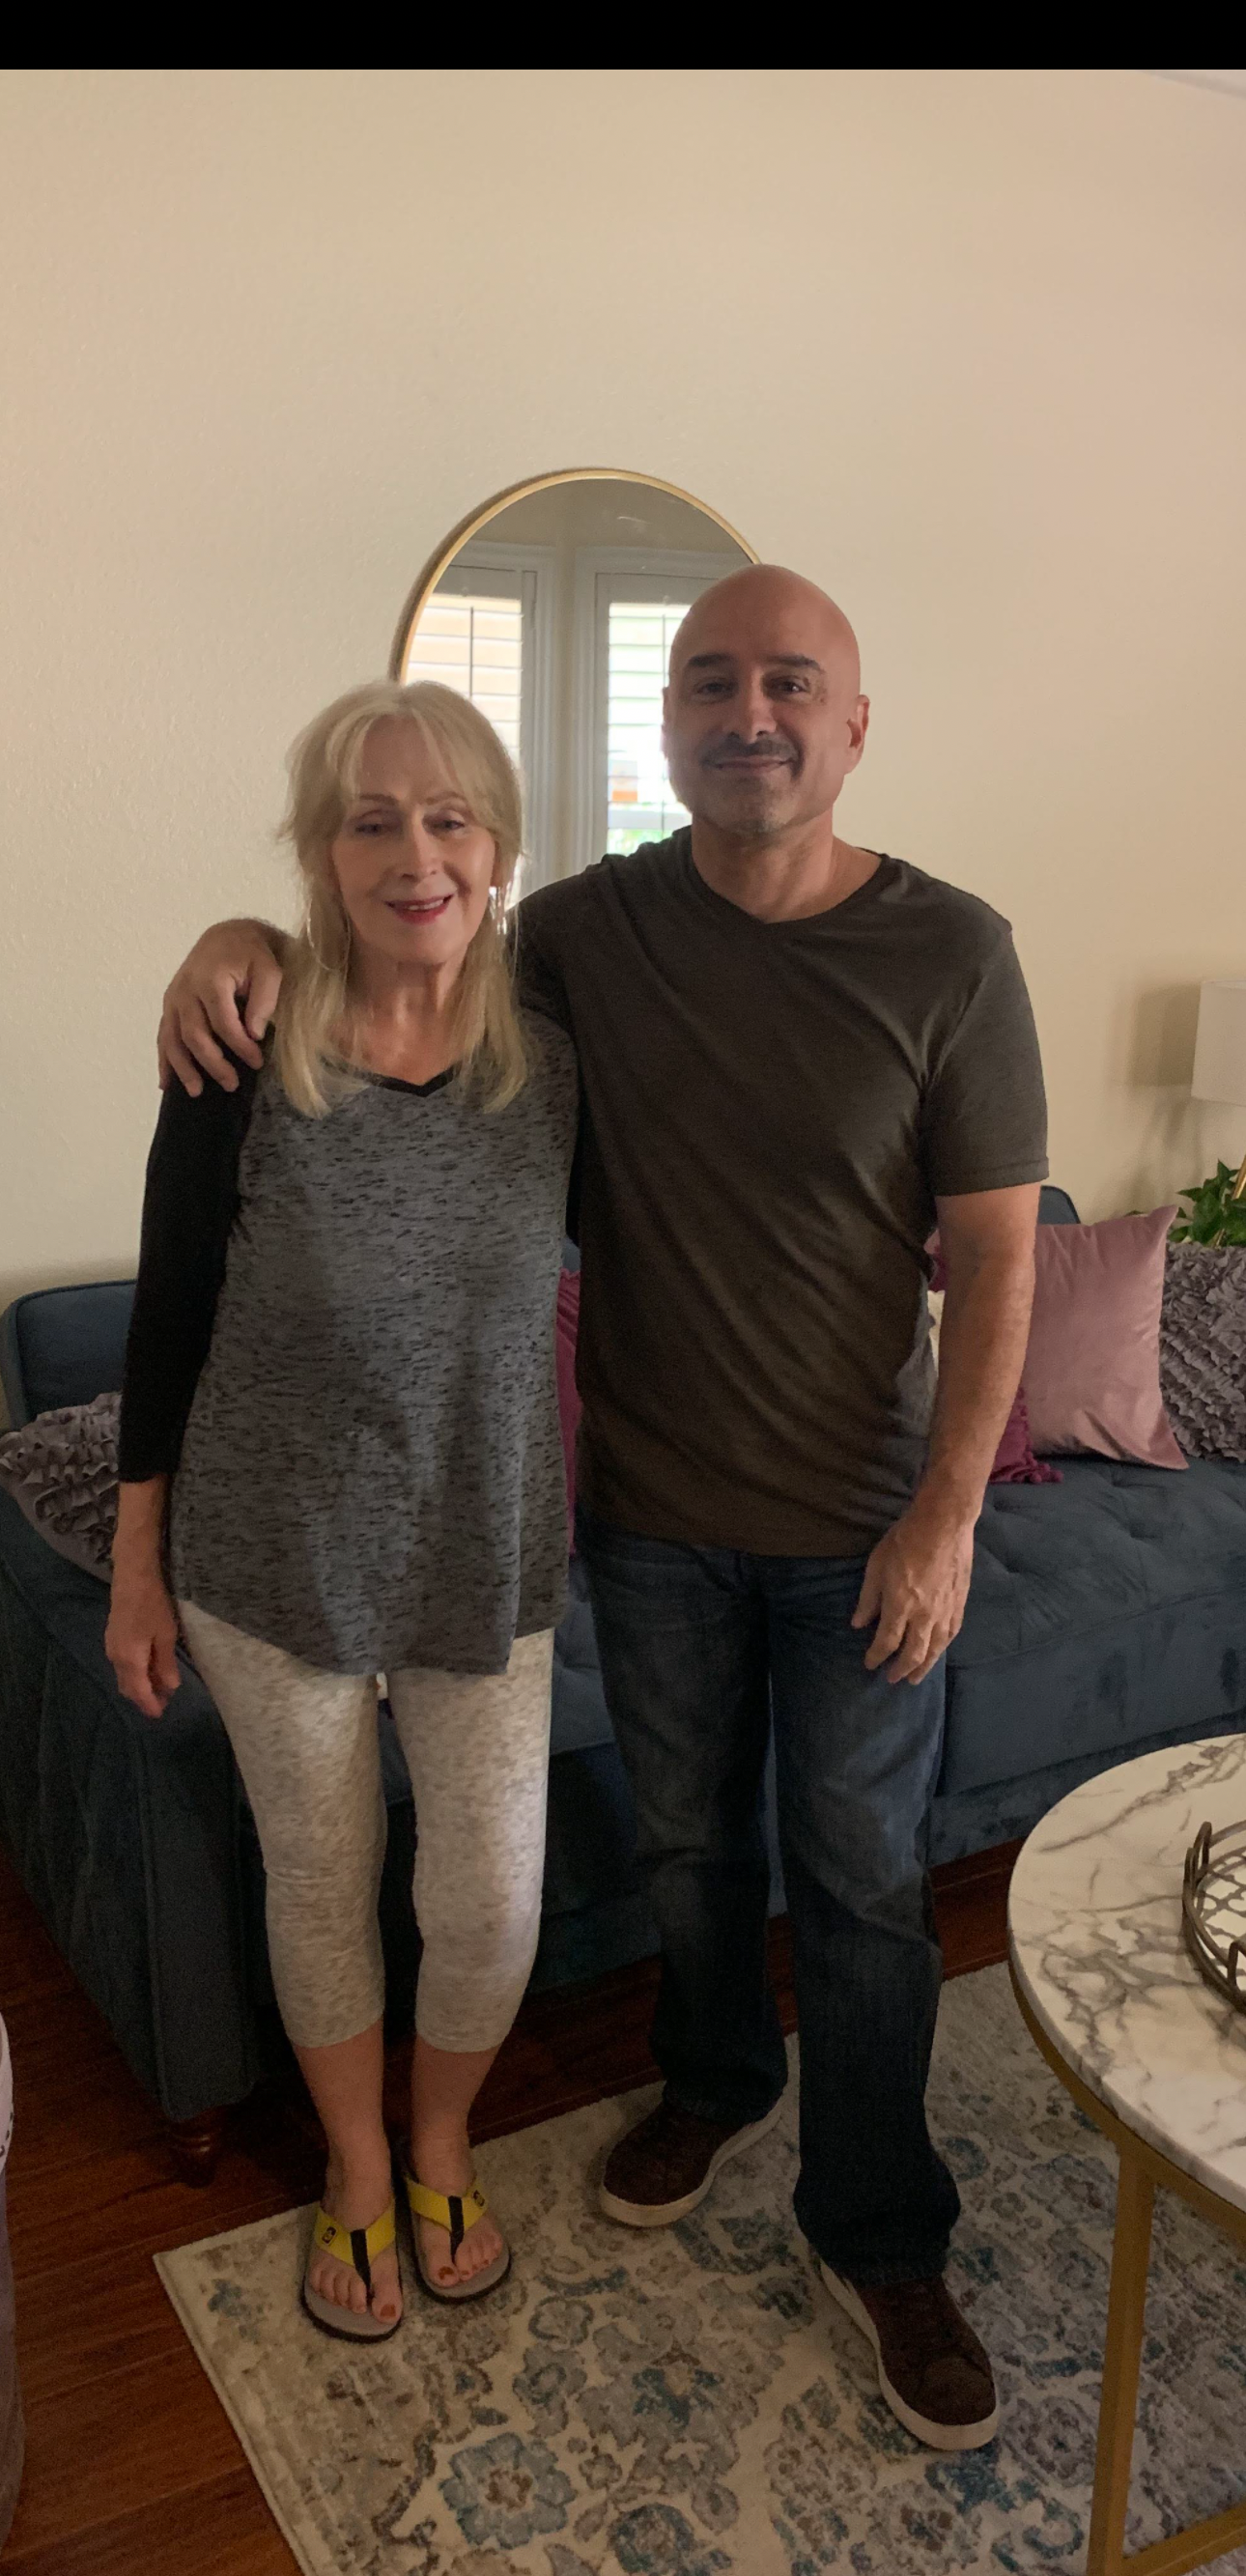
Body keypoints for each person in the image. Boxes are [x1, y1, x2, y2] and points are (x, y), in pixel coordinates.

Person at [157, 568, 1046, 2447]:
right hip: (637, 1522)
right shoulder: (581, 939)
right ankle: (704, 2086)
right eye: (711, 682)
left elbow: (996, 1252)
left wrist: (951, 1511)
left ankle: (880, 2233)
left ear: (853, 723)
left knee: (862, 1887)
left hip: (854, 1524)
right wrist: (232, 936)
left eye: (790, 682)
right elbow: (376, 941)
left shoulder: (946, 953)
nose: (751, 715)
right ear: (667, 726)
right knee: (690, 1855)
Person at [107, 680, 578, 2339]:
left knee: (491, 1896)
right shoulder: (241, 1051)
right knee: (320, 1878)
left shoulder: (559, 1064)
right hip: (271, 1558)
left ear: (499, 847)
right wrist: (137, 1563)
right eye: (371, 822)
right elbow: (168, 1314)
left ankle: (442, 2133)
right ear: (319, 853)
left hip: (481, 1552)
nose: (414, 854)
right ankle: (362, 2167)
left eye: (448, 818)